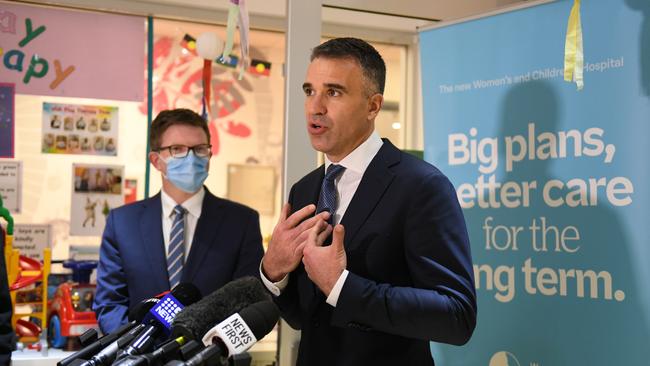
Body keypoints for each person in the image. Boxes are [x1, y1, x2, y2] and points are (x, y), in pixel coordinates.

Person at [260, 37, 477, 365]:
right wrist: (273, 271)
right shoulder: (304, 190)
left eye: (333, 92)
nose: (315, 106)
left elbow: (456, 316)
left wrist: (341, 286)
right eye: (309, 91)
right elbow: (307, 318)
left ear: (373, 106)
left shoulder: (421, 186)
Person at [94, 108, 264, 334]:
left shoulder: (241, 222)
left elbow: (248, 302)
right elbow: (109, 305)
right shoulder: (123, 223)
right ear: (156, 160)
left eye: (200, 149)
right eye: (177, 149)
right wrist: (143, 349)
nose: (191, 158)